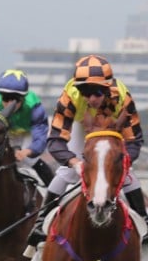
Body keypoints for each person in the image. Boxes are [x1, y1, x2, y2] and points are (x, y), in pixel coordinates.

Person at [26, 54, 146, 250]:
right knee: (66, 173)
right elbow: (56, 140)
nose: (91, 99)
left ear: (108, 88)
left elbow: (134, 140)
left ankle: (144, 221)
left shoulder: (123, 97)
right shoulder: (70, 96)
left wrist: (122, 162)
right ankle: (39, 224)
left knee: (127, 175)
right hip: (83, 128)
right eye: (85, 92)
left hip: (112, 132)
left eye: (97, 93)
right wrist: (74, 162)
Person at [0, 69, 54, 187]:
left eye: (14, 100)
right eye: (6, 99)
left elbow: (40, 138)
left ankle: (54, 194)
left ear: (23, 98)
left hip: (26, 132)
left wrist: (27, 151)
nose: (9, 105)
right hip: (5, 131)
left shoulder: (34, 108)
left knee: (30, 160)